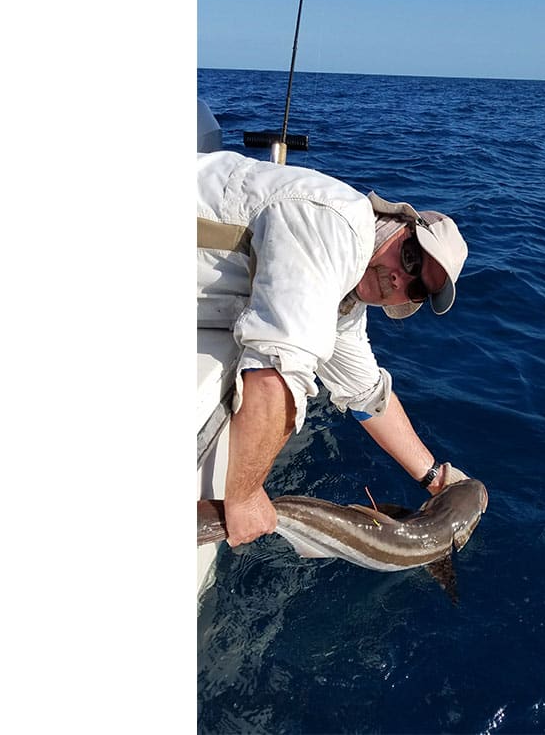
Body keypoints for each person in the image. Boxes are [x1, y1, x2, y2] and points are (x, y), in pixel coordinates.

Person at [197, 150, 472, 547]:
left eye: (415, 287)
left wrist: (437, 479)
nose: (398, 278)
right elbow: (276, 373)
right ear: (397, 223)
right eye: (411, 257)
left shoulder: (344, 302)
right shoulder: (336, 226)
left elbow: (367, 396)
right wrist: (242, 496)